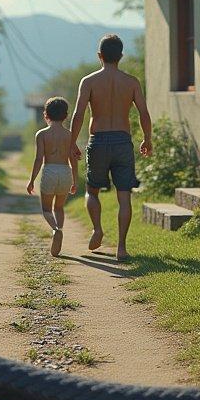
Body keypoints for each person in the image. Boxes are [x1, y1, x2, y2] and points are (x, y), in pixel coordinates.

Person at [69, 34, 153, 260]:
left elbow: (78, 115)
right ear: (121, 56)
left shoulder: (89, 82)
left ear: (100, 56)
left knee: (92, 190)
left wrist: (72, 142)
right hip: (122, 142)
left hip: (98, 141)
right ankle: (122, 248)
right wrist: (147, 139)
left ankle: (97, 228)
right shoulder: (132, 82)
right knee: (124, 197)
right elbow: (144, 114)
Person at [26, 96, 78, 256]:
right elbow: (73, 160)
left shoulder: (41, 134)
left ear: (45, 114)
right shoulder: (70, 135)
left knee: (47, 209)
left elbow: (38, 159)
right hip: (65, 172)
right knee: (59, 207)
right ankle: (60, 230)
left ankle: (55, 230)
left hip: (49, 171)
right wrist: (75, 180)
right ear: (65, 116)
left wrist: (32, 180)